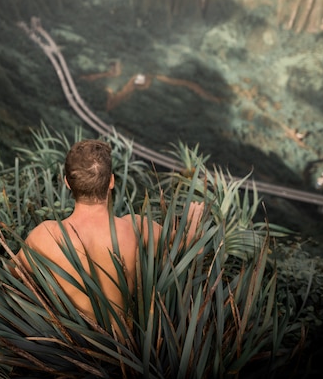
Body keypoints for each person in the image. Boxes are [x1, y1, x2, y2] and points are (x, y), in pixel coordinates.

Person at [15, 139, 203, 328]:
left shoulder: (44, 236)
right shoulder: (136, 228)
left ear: (67, 183)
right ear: (111, 181)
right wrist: (192, 224)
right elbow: (189, 251)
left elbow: (11, 276)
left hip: (69, 350)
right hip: (125, 351)